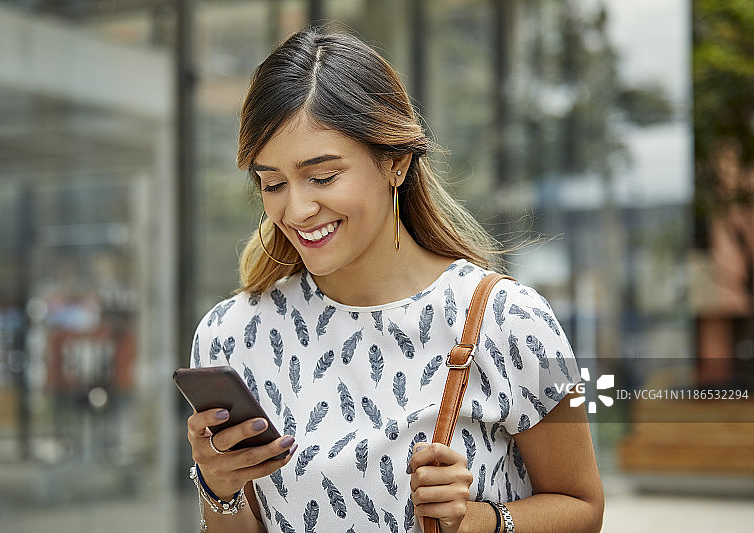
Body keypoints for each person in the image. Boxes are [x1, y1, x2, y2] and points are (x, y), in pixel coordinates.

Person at [185, 28, 603, 533]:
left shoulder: (508, 320)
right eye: (272, 183)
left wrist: (477, 521)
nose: (295, 209)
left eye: (322, 177)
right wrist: (219, 488)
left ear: (396, 162)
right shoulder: (231, 337)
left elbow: (583, 507)